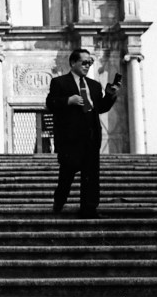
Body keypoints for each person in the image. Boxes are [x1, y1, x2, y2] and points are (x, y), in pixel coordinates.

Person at [46, 49, 121, 218]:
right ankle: (59, 200)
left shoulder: (94, 85)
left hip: (91, 137)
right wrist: (68, 100)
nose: (88, 66)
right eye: (84, 62)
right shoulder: (59, 82)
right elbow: (50, 103)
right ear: (73, 62)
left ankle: (89, 209)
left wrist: (110, 95)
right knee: (67, 174)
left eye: (90, 63)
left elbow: (100, 108)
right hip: (70, 139)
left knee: (91, 175)